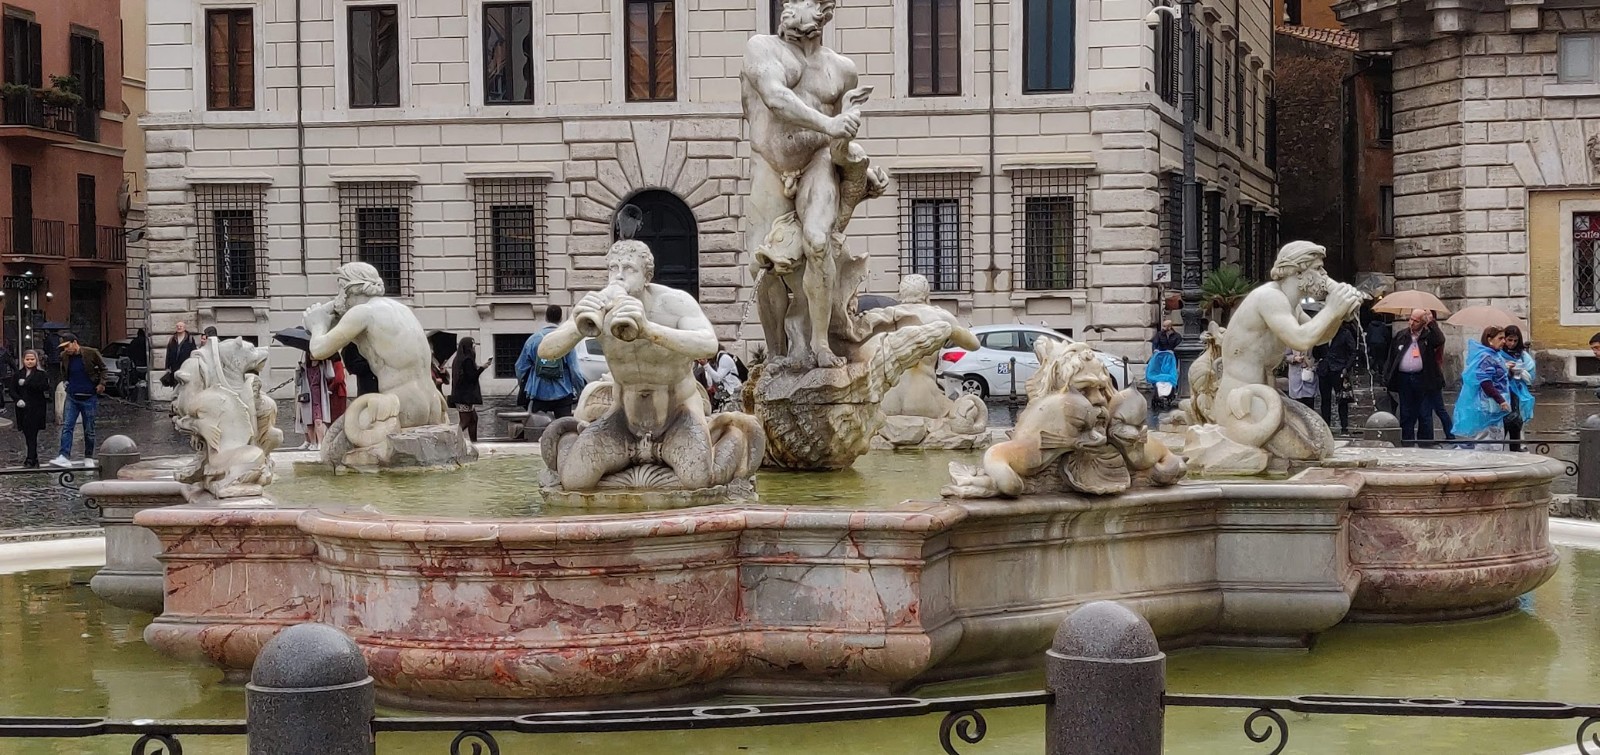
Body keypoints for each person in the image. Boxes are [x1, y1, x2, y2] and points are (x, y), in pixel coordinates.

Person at [1383, 308, 1447, 445]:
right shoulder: (1401, 335)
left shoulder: (1428, 336)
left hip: (1423, 379)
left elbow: (1440, 340)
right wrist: (1387, 376)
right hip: (1404, 379)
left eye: (1416, 321)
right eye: (1411, 319)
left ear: (1423, 323)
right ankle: (1407, 442)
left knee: (1424, 414)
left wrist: (1431, 323)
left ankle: (1425, 444)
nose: (1411, 323)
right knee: (1406, 414)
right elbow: (1391, 357)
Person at [516, 305, 586, 419]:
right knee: (564, 426)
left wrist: (524, 385)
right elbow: (575, 371)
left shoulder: (533, 339)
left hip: (538, 392)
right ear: (561, 318)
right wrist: (580, 392)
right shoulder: (566, 340)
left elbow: (520, 368)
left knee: (537, 425)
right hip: (563, 393)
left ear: (546, 318)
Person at [1453, 326, 1514, 450]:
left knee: (1495, 436)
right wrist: (1501, 400)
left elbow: (1499, 376)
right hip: (1489, 405)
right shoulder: (1487, 357)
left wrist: (1507, 369)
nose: (1504, 341)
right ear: (1490, 340)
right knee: (1488, 438)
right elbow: (1485, 383)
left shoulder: (1495, 355)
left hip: (1495, 405)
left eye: (1504, 338)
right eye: (1500, 338)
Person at [50, 332, 105, 467]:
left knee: (89, 429)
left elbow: (104, 369)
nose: (66, 349)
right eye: (63, 347)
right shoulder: (64, 356)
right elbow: (64, 371)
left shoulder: (91, 353)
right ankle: (64, 455)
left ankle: (88, 456)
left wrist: (101, 384)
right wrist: (66, 382)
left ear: (75, 343)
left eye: (67, 346)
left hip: (89, 397)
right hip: (72, 396)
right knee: (67, 427)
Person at [1316, 319, 1359, 434]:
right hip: (1324, 370)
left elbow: (1353, 352)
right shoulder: (1323, 333)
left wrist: (1347, 367)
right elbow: (1316, 349)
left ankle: (1344, 427)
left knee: (1342, 399)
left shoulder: (1345, 333)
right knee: (1325, 400)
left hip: (1339, 369)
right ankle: (1326, 426)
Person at [10, 350, 49, 467]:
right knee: (27, 433)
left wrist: (27, 382)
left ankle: (30, 458)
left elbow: (44, 387)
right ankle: (34, 457)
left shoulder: (41, 374)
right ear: (23, 360)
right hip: (22, 409)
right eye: (27, 359)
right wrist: (17, 399)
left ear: (36, 360)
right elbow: (12, 390)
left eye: (32, 359)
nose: (30, 361)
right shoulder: (18, 374)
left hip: (36, 408)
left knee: (33, 433)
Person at [1501, 324, 1536, 451]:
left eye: (1515, 341)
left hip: (1518, 391)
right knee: (1502, 420)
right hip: (1503, 391)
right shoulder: (1498, 353)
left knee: (1517, 418)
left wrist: (1521, 371)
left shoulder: (1522, 355)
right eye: (1509, 340)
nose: (1512, 343)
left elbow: (1531, 374)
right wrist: (1506, 369)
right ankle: (1501, 446)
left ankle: (1517, 445)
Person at [449, 337, 491, 442]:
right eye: (473, 346)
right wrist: (482, 368)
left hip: (461, 396)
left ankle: (474, 442)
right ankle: (452, 439)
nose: (474, 348)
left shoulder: (458, 359)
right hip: (465, 397)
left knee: (473, 419)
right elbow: (471, 377)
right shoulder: (467, 360)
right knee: (465, 421)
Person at [294, 354, 337, 450]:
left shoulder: (322, 366)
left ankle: (320, 443)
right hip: (307, 397)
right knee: (309, 422)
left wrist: (327, 361)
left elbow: (331, 375)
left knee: (318, 420)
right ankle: (313, 443)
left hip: (319, 396)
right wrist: (298, 370)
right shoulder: (304, 367)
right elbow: (297, 382)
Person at [705, 346, 745, 413]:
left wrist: (705, 365)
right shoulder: (717, 360)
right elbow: (711, 382)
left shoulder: (724, 358)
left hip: (734, 394)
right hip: (728, 395)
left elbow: (718, 378)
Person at [162, 322, 196, 388]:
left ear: (184, 328)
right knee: (175, 387)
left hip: (186, 367)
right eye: (177, 326)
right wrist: (167, 367)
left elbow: (193, 352)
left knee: (185, 386)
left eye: (181, 326)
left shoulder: (190, 339)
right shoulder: (172, 339)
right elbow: (168, 353)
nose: (179, 327)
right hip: (174, 367)